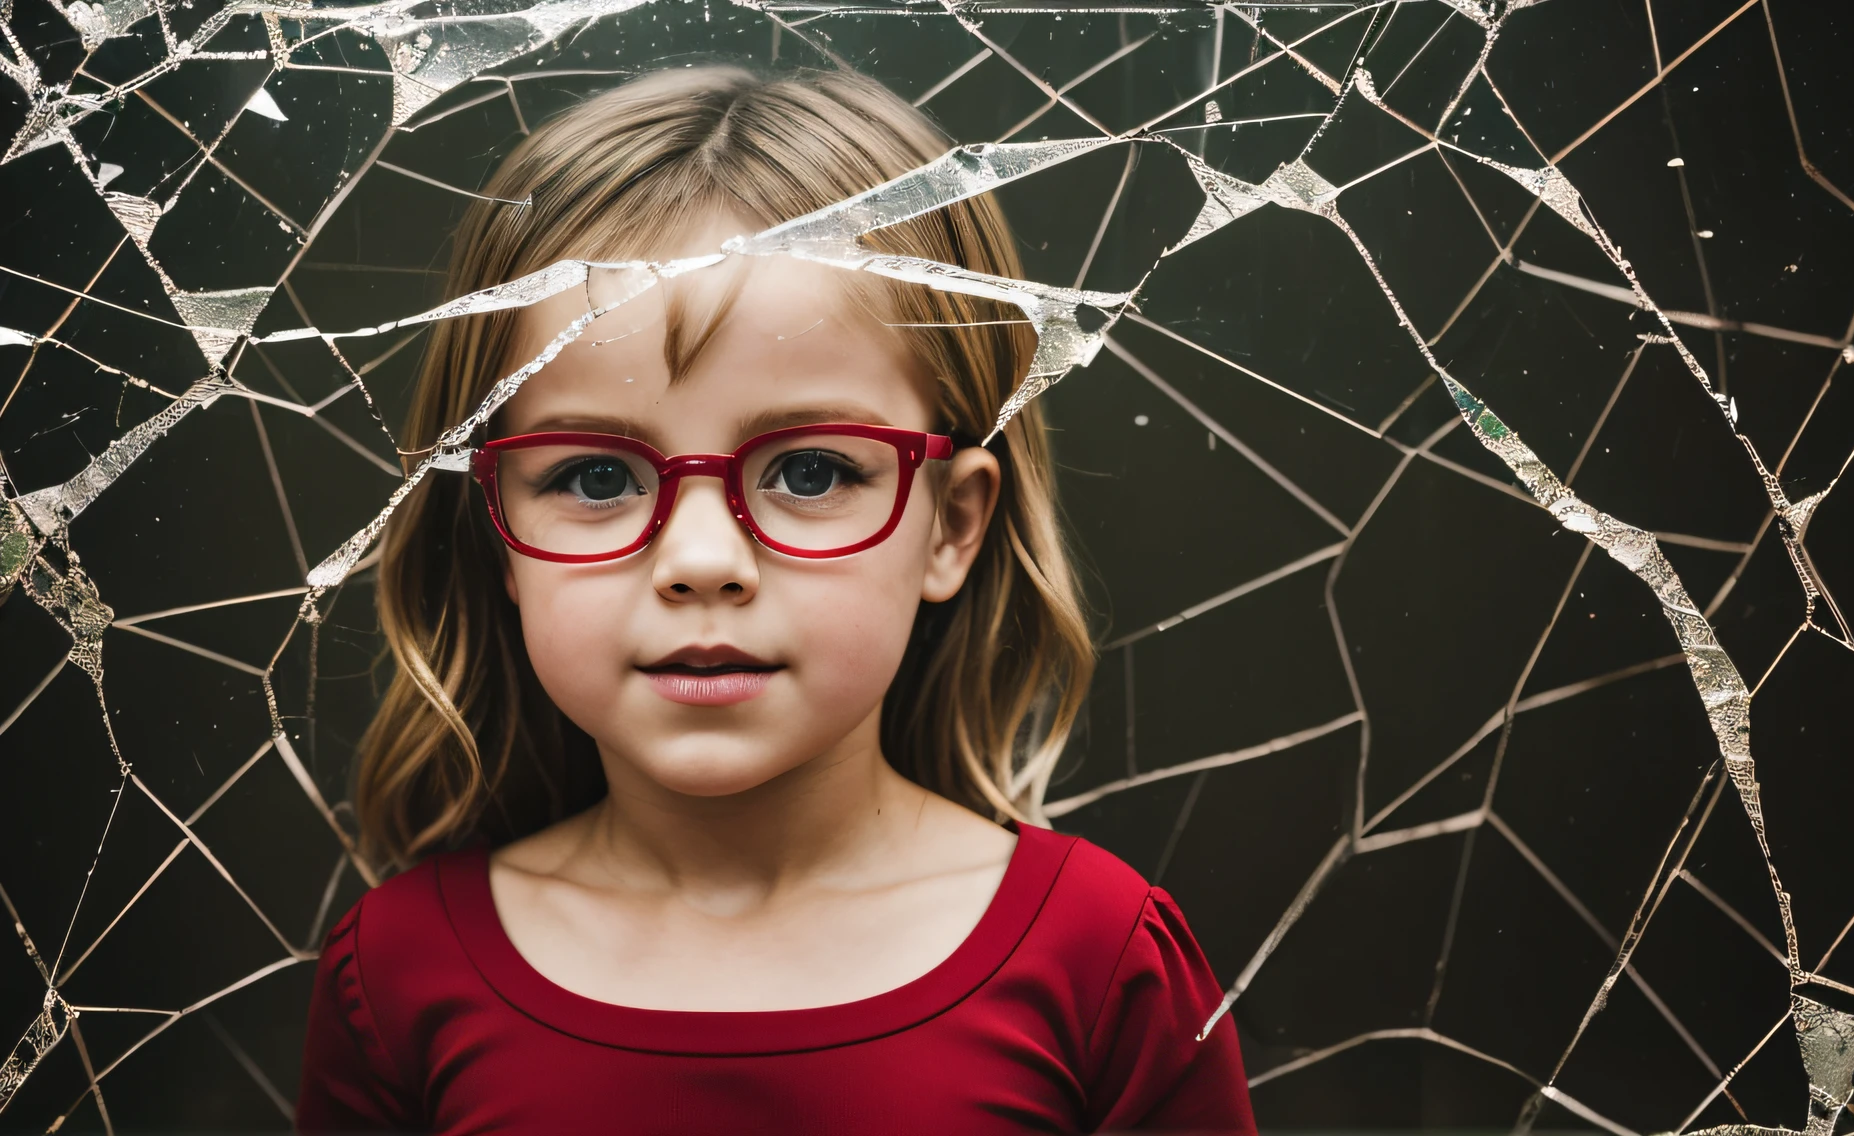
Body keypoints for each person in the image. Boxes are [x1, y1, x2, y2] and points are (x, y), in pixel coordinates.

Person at [295, 65, 1256, 1134]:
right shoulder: (394, 973)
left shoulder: (1099, 957)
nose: (702, 560)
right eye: (595, 477)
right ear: (494, 529)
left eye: (808, 471)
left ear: (951, 524)